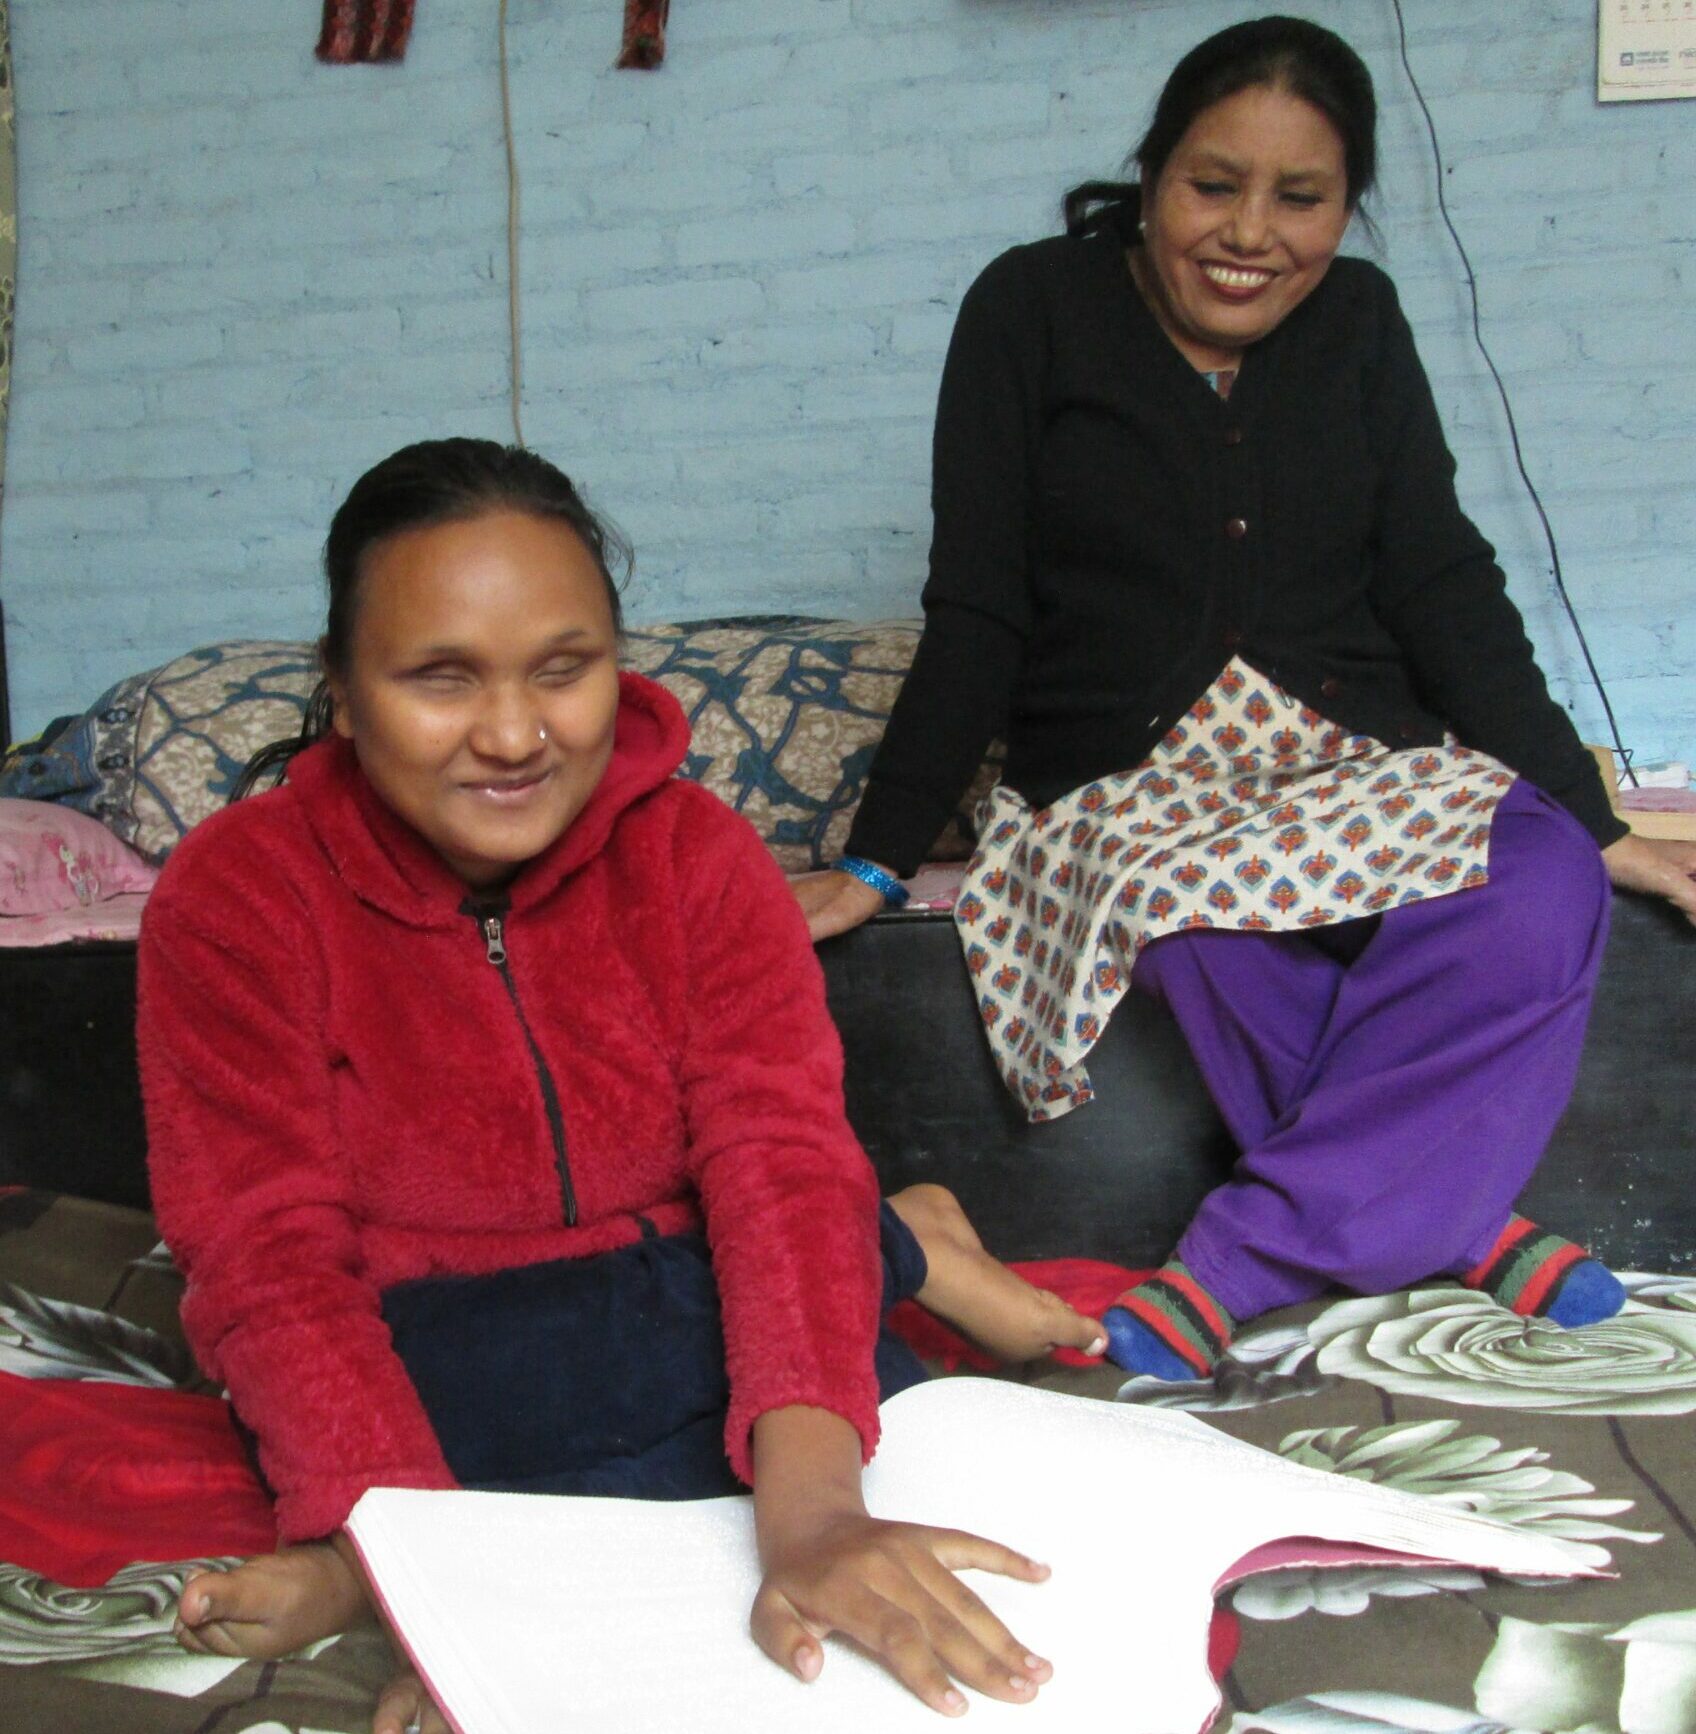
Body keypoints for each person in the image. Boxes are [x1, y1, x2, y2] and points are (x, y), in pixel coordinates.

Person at [137, 438, 1105, 1734]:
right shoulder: (236, 895)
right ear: (346, 690)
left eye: (564, 668)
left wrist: (816, 1514)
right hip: (440, 1337)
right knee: (546, 1476)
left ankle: (894, 1242)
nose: (513, 733)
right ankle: (908, 1242)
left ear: (616, 658)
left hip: (689, 1273)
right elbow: (263, 1256)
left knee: (841, 1395)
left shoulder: (697, 855)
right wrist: (433, 1574)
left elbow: (780, 1159)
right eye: (439, 677)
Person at [792, 16, 1696, 1385]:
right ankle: (1454, 1218)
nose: (1252, 233)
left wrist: (1597, 813)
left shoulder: (1362, 325)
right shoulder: (1029, 310)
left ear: (1346, 208)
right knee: (1197, 919)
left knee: (1547, 873)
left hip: (1340, 759)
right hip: (1126, 781)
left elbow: (1444, 582)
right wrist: (877, 847)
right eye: (1215, 184)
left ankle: (1242, 1255)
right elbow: (978, 604)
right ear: (1152, 176)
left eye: (1302, 197)